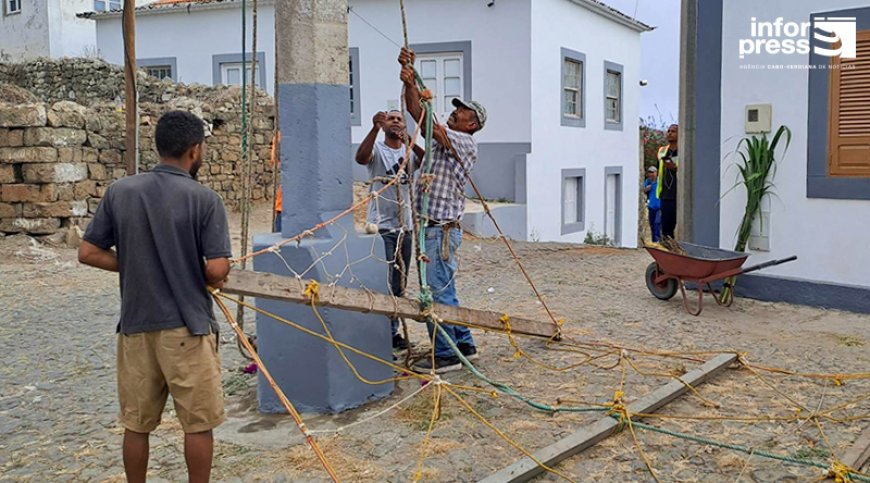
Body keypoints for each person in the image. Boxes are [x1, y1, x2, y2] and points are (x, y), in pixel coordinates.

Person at [78, 110, 232, 483]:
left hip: (135, 328)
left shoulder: (120, 191)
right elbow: (216, 270)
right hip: (187, 329)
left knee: (137, 425)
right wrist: (205, 272)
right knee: (197, 424)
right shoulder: (204, 199)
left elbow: (88, 252)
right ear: (195, 150)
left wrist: (134, 263)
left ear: (159, 146)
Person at [398, 47, 486, 374]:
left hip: (439, 229)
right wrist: (408, 79)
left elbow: (427, 123)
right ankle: (464, 342)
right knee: (445, 287)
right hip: (434, 228)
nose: (455, 112)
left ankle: (446, 354)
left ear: (472, 123)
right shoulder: (447, 140)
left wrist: (416, 90)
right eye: (456, 109)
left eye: (461, 111)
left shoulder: (464, 141)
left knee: (436, 291)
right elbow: (417, 115)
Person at [354, 110, 415, 352]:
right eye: (391, 118)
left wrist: (410, 141)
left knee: (400, 283)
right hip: (382, 227)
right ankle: (382, 335)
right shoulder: (378, 149)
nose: (396, 121)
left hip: (406, 227)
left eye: (399, 118)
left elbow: (425, 160)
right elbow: (361, 158)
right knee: (385, 282)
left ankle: (392, 333)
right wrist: (374, 129)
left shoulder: (408, 152)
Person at [657, 124, 679, 239]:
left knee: (676, 224)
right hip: (665, 193)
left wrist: (674, 168)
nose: (669, 133)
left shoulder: (683, 150)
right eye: (668, 131)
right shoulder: (662, 151)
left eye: (673, 131)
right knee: (665, 226)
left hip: (678, 194)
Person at [644, 166, 661, 242]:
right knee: (652, 224)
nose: (652, 174)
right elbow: (643, 190)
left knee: (657, 223)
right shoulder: (648, 181)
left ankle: (657, 240)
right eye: (650, 172)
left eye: (653, 172)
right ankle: (654, 241)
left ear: (656, 173)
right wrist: (647, 189)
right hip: (651, 207)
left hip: (659, 206)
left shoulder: (660, 181)